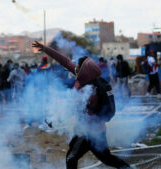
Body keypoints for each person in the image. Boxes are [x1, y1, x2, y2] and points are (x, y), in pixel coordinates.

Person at [32, 41, 131, 169]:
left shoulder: (89, 90)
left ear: (85, 71)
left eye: (78, 67)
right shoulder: (86, 78)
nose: (75, 68)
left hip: (86, 133)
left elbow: (72, 109)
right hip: (97, 131)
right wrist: (45, 48)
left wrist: (54, 120)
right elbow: (65, 61)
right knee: (107, 158)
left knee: (71, 158)